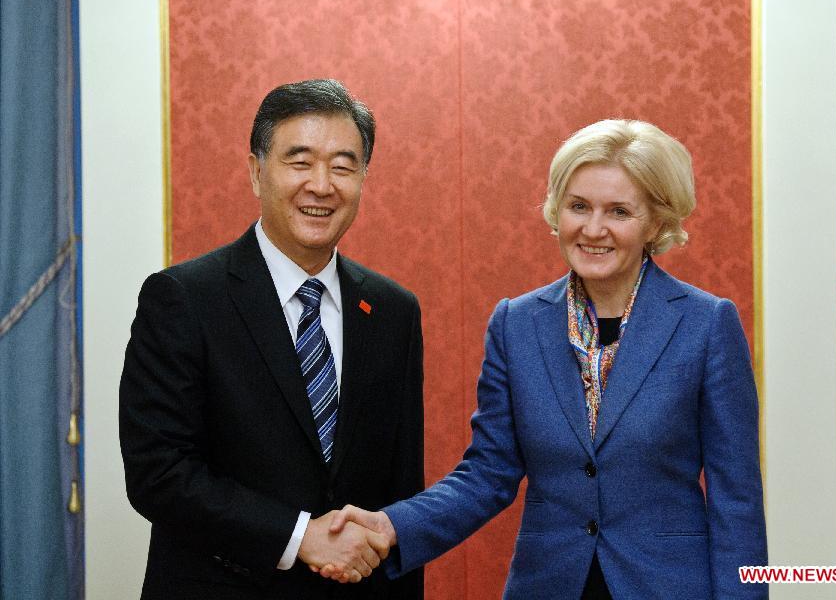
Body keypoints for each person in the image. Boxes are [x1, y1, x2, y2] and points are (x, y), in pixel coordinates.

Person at [322, 119, 768, 598]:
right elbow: (488, 474)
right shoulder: (516, 323)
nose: (593, 229)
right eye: (579, 206)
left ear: (656, 222)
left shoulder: (706, 324)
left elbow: (735, 501)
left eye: (618, 211)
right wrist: (391, 526)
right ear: (558, 210)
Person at [119, 79, 424, 600]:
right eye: (299, 161)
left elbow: (399, 494)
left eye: (343, 166)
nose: (322, 185)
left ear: (364, 178)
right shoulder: (183, 299)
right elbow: (159, 473)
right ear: (257, 172)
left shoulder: (392, 310)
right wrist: (298, 536)